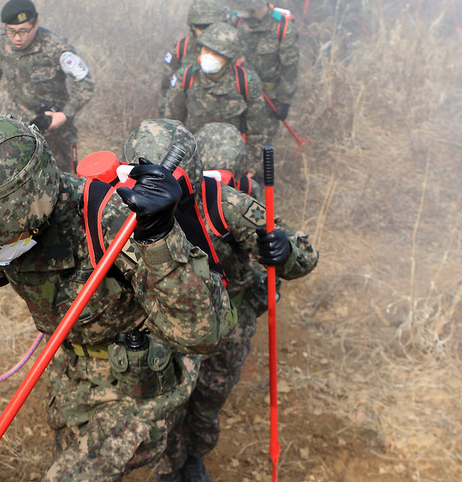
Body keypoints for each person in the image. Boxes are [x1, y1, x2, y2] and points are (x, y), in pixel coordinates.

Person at [0, 114, 237, 481]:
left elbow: (206, 331)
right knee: (67, 453)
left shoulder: (114, 222)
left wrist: (159, 239)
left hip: (139, 383)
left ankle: (185, 464)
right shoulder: (12, 226)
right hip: (69, 374)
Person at [123, 120, 318, 482]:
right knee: (164, 408)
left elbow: (302, 253)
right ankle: (169, 468)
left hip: (225, 320)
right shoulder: (128, 204)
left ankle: (194, 458)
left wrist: (286, 250)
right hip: (163, 324)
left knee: (208, 400)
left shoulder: (224, 202)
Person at [0, 0, 95, 173]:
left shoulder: (56, 47)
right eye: (11, 31)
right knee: (18, 176)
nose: (16, 38)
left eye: (23, 31)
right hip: (18, 125)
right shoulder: (1, 39)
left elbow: (85, 82)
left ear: (36, 24)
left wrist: (65, 115)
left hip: (54, 130)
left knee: (62, 180)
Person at [165, 22, 272, 168]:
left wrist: (251, 166)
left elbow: (257, 131)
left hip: (231, 162)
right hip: (191, 160)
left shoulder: (246, 82)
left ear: (229, 58)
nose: (209, 56)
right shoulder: (185, 78)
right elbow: (172, 125)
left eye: (216, 53)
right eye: (206, 50)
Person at [230, 0, 299, 144]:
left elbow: (289, 67)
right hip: (236, 93)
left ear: (255, 4)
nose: (241, 11)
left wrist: (285, 101)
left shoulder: (282, 28)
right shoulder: (236, 21)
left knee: (260, 145)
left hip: (267, 99)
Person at [161, 0, 231, 109]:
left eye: (212, 26)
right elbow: (166, 91)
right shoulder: (180, 50)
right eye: (201, 27)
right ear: (192, 26)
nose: (207, 31)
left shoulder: (233, 48)